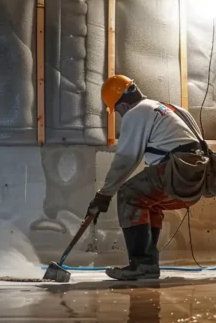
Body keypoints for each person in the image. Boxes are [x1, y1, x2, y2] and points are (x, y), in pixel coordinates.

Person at [88, 75, 209, 281]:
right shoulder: (169, 109)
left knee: (128, 193)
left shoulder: (137, 113)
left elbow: (126, 158)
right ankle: (147, 265)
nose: (118, 115)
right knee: (148, 202)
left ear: (123, 104)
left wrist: (104, 195)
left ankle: (142, 264)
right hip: (197, 178)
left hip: (177, 172)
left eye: (116, 110)